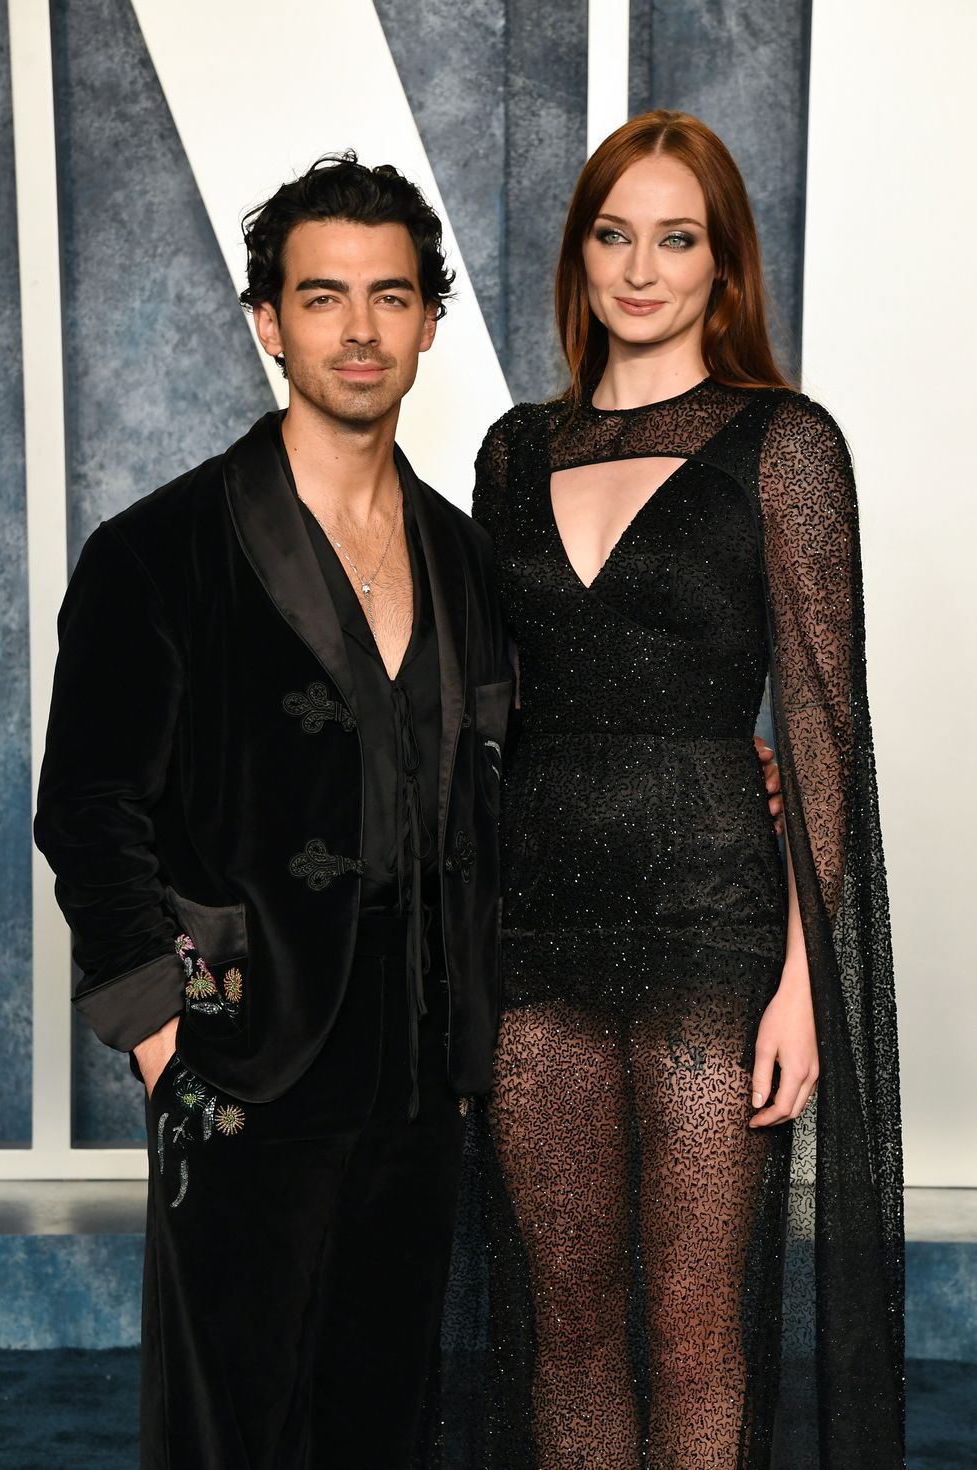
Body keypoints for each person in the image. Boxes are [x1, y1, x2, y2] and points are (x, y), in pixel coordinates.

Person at [33, 153, 516, 1470]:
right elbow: (87, 811)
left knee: (384, 1418)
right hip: (239, 1047)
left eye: (390, 296)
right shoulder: (155, 551)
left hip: (422, 1061)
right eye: (322, 296)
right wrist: (161, 1041)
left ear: (428, 321)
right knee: (230, 1428)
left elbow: (506, 783)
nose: (360, 329)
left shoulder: (465, 557)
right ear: (268, 322)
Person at [440, 111, 903, 1470]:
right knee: (569, 1327)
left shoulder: (786, 443)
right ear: (581, 255)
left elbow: (823, 729)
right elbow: (478, 704)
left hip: (714, 930)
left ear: (723, 264)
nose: (641, 268)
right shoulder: (514, 451)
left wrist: (806, 988)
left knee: (699, 1330)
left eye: (677, 238)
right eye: (614, 234)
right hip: (535, 925)